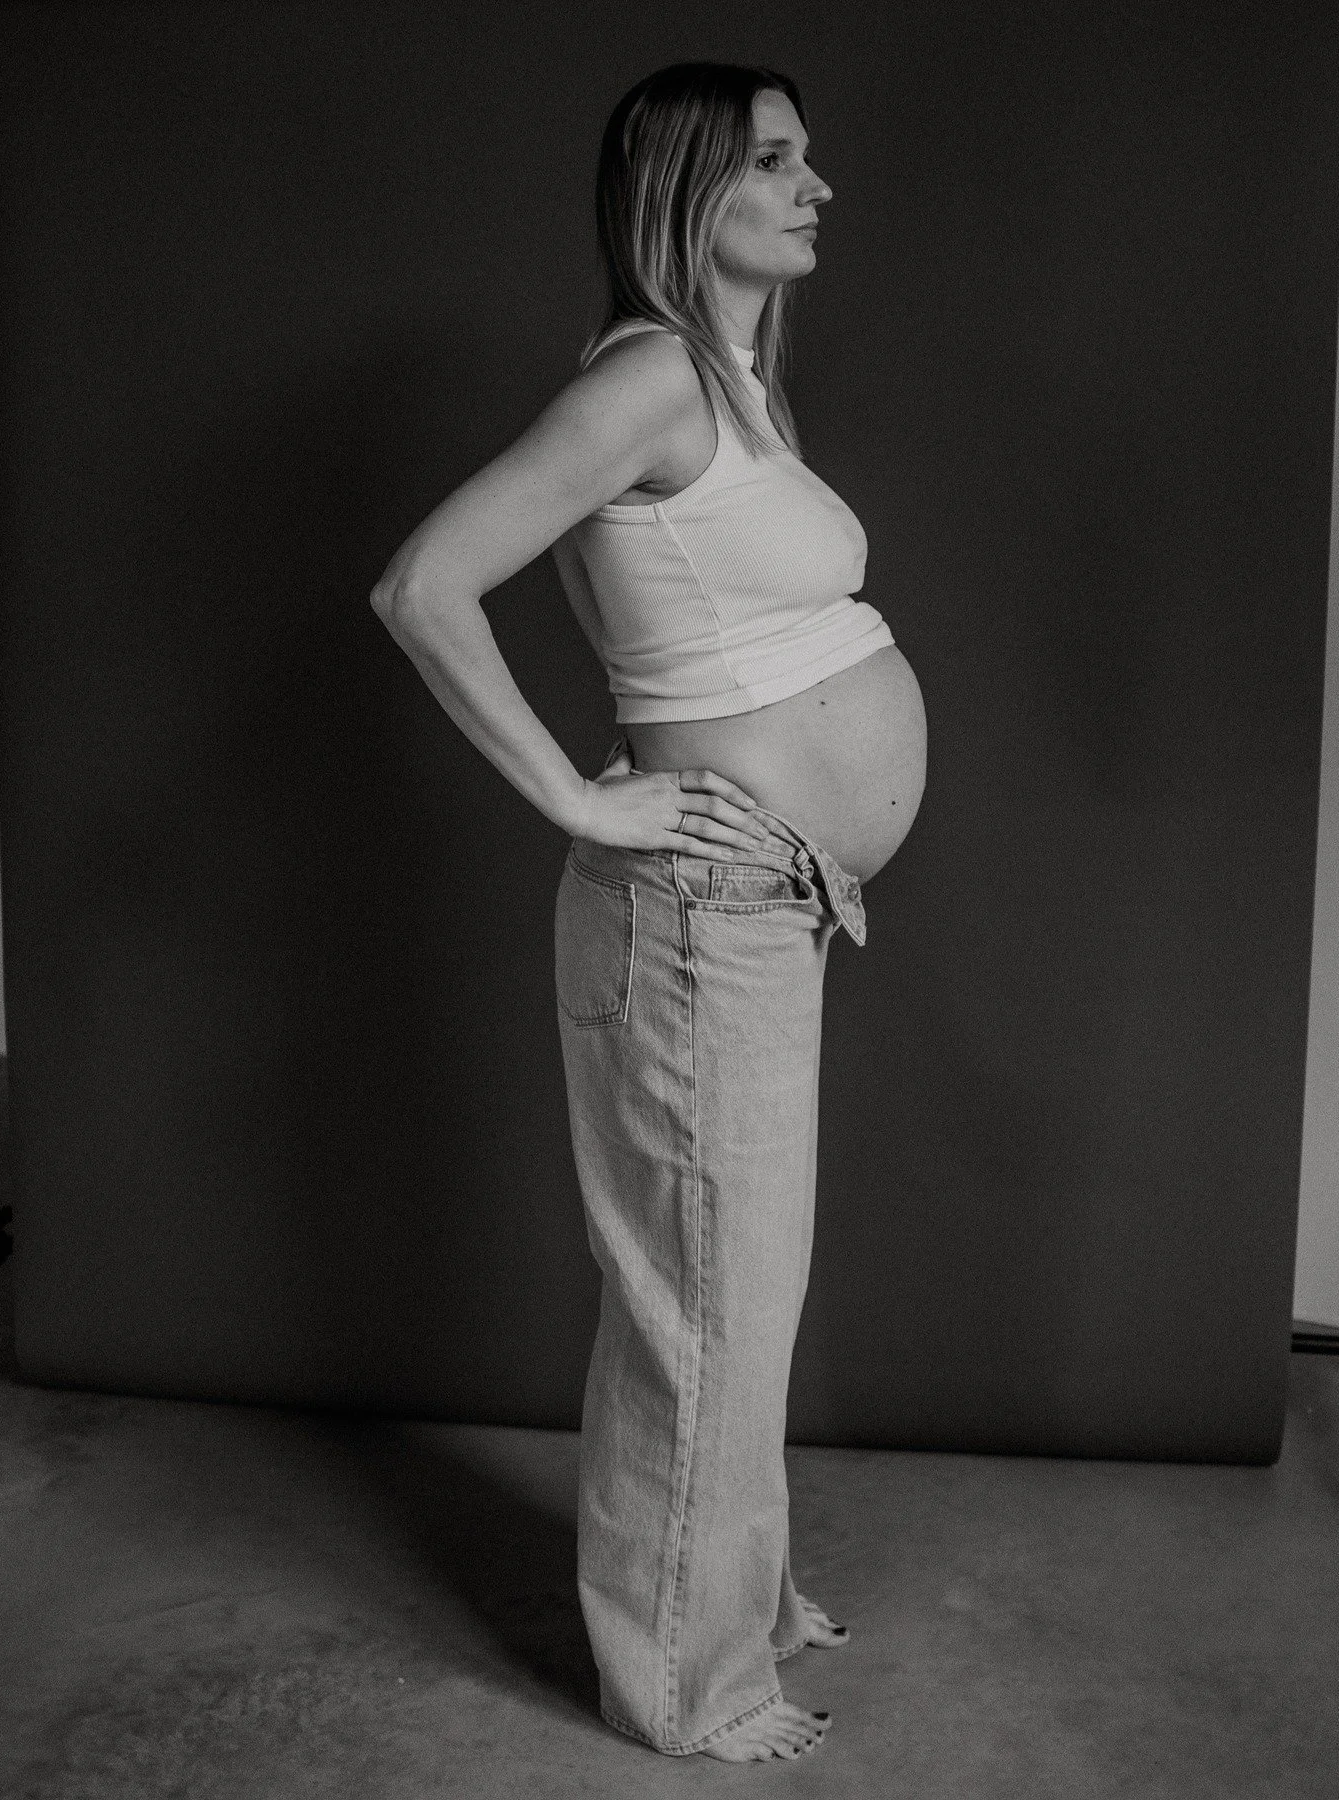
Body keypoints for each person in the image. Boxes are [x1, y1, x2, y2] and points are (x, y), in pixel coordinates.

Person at [371, 61, 927, 1764]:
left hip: (761, 904)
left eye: (810, 154)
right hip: (693, 911)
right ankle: (690, 1689)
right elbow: (423, 581)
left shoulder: (738, 382)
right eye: (775, 160)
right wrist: (576, 790)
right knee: (702, 1307)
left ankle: (737, 1595)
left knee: (742, 1291)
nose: (816, 181)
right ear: (687, 194)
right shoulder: (653, 380)